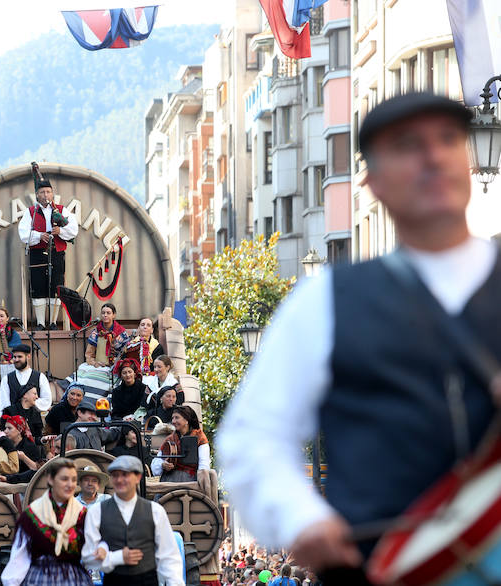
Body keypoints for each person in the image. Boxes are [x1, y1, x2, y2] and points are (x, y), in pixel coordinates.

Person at [217, 93, 499, 583]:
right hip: (382, 568)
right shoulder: (324, 299)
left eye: (449, 139)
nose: (433, 157)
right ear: (372, 182)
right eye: (408, 145)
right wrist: (302, 517)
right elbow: (253, 438)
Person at [81, 455, 184, 586]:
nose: (119, 480)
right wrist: (117, 557)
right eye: (115, 475)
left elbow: (169, 557)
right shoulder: (96, 512)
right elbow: (88, 558)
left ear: (138, 477)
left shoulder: (155, 511)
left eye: (125, 475)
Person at [1, 458, 94, 585]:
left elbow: (92, 552)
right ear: (50, 479)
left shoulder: (82, 515)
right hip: (40, 578)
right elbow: (19, 559)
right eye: (64, 479)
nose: (70, 484)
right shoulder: (31, 515)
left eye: (73, 479)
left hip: (74, 579)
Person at [18, 163, 79, 330]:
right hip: (37, 253)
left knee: (56, 287)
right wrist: (39, 235)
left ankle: (52, 323)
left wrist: (60, 230)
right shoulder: (30, 212)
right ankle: (40, 323)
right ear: (37, 195)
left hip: (57, 253)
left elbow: (73, 230)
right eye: (42, 192)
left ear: (53, 194)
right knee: (38, 286)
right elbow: (23, 234)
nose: (46, 195)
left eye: (48, 192)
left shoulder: (61, 210)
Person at [151, 406, 211, 481]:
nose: (173, 421)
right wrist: (162, 465)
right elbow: (158, 459)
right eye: (172, 418)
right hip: (169, 479)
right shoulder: (170, 439)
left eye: (177, 418)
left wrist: (201, 482)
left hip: (191, 479)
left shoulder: (199, 438)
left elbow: (204, 464)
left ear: (186, 420)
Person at [0, 343, 53, 412]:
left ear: (28, 357)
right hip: (14, 419)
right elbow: (4, 403)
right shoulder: (6, 379)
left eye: (20, 357)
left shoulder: (40, 377)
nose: (16, 359)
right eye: (14, 357)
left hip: (34, 419)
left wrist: (29, 403)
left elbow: (46, 400)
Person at [0, 414, 43, 483]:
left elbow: (38, 470)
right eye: (5, 428)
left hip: (23, 483)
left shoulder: (29, 446)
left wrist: (24, 458)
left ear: (19, 430)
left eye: (9, 428)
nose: (5, 431)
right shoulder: (5, 444)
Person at [85, 303, 131, 367]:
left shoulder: (122, 333)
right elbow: (89, 354)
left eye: (108, 313)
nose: (105, 315)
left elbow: (128, 353)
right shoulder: (96, 332)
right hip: (99, 366)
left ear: (114, 315)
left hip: (117, 366)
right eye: (103, 313)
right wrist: (94, 363)